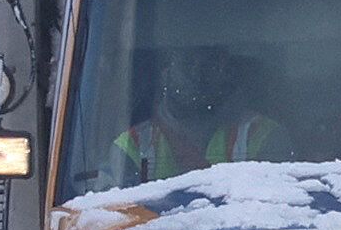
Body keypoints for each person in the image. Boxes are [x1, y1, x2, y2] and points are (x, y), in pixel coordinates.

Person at [112, 45, 286, 183]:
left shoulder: (263, 136)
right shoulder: (132, 146)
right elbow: (112, 218)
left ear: (226, 72)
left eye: (208, 63)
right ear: (165, 73)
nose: (197, 75)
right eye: (187, 63)